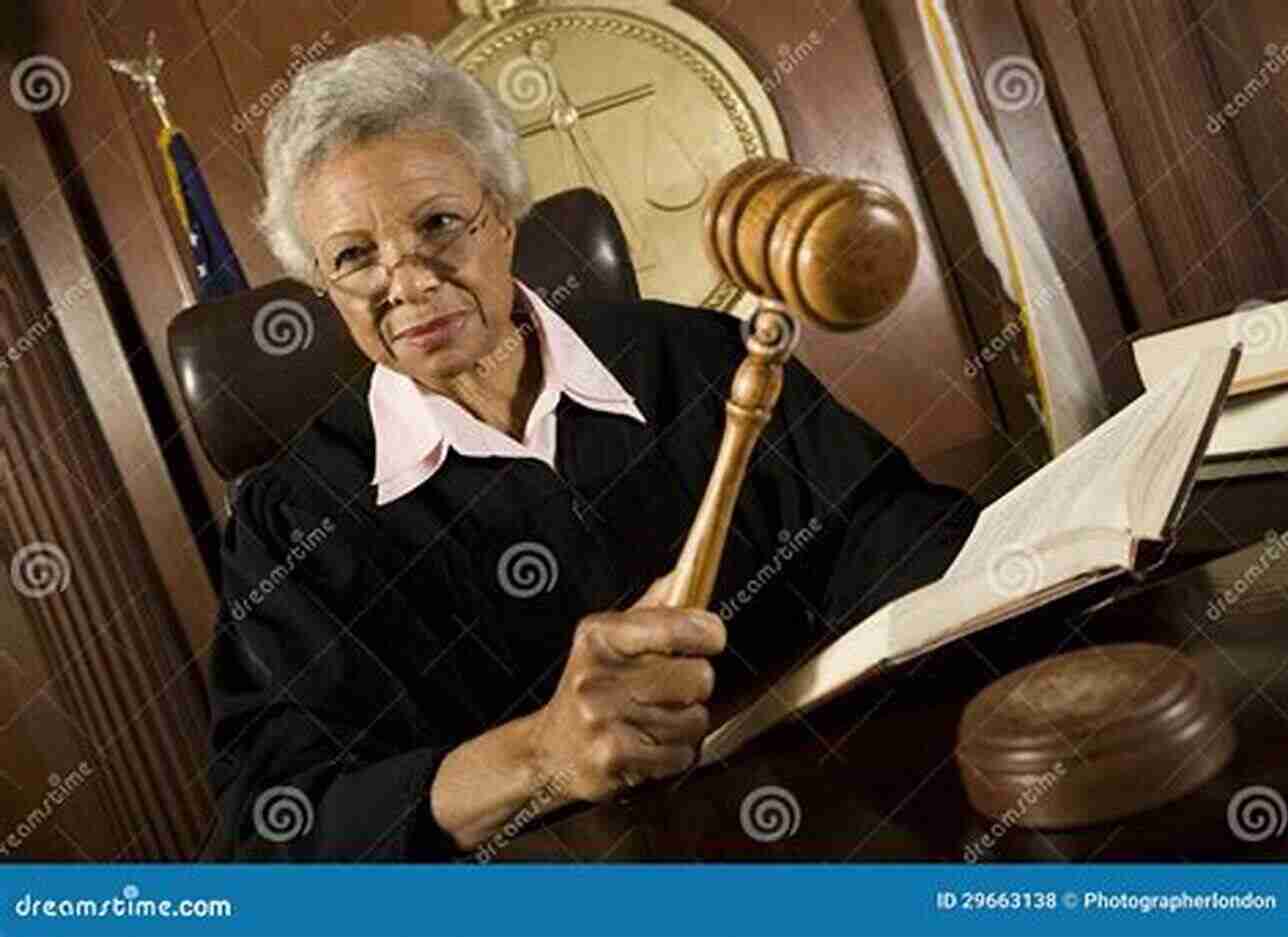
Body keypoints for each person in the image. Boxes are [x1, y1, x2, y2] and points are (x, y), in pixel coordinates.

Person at [206, 33, 979, 861]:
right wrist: (540, 753)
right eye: (354, 256)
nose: (408, 280)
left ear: (502, 218)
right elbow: (276, 825)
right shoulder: (293, 523)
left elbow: (890, 528)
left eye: (438, 223)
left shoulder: (701, 359)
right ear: (323, 286)